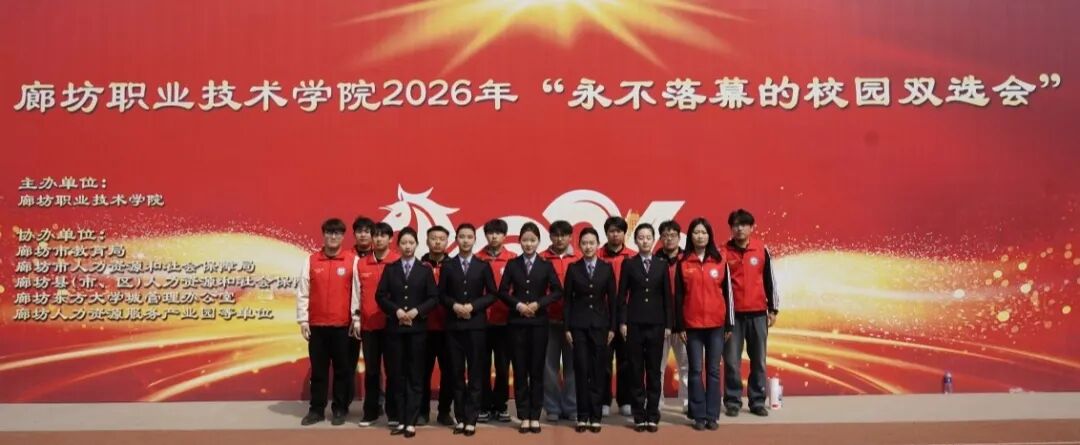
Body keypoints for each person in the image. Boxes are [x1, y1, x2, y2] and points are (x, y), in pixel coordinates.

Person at [498, 222, 562, 434]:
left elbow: (557, 291)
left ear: (538, 242)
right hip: (516, 323)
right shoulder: (512, 264)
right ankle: (523, 415)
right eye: (525, 240)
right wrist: (518, 305)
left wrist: (538, 304)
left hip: (538, 323)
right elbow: (502, 291)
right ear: (519, 241)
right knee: (519, 369)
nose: (528, 244)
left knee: (536, 370)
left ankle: (535, 415)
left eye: (532, 240)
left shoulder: (545, 265)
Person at [377, 227, 440, 438]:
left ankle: (411, 420)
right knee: (396, 375)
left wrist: (416, 311)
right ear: (398, 245)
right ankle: (400, 418)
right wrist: (396, 311)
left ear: (416, 245)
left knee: (415, 375)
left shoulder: (424, 270)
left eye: (411, 243)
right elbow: (380, 296)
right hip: (395, 330)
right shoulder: (390, 269)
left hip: (417, 331)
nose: (407, 246)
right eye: (403, 243)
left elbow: (433, 298)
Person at [297, 218, 360, 426]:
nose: (333, 237)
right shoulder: (311, 260)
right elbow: (303, 292)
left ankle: (340, 409)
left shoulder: (352, 261)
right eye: (329, 233)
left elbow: (357, 293)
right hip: (317, 327)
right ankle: (316, 410)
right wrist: (303, 320)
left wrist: (356, 318)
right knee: (319, 371)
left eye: (337, 233)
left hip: (343, 327)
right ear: (323, 235)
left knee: (343, 370)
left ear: (343, 236)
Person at [674, 218, 734, 431]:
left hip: (716, 325)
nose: (700, 236)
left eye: (704, 232)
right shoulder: (683, 262)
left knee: (713, 371)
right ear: (690, 236)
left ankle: (712, 415)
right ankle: (698, 414)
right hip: (692, 326)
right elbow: (678, 297)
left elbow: (728, 294)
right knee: (695, 370)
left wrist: (729, 324)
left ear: (710, 236)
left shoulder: (720, 260)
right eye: (696, 232)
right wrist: (680, 326)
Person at [440, 223, 499, 436]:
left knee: (475, 373)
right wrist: (454, 306)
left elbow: (492, 294)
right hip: (454, 325)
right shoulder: (448, 265)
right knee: (456, 372)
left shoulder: (482, 266)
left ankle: (472, 418)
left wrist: (473, 307)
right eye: (462, 237)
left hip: (476, 326)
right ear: (456, 239)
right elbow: (441, 294)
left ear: (474, 240)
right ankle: (460, 417)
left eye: (469, 237)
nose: (465, 240)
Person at [722, 209, 780, 418]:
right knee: (731, 361)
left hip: (758, 315)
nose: (739, 229)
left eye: (743, 225)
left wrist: (773, 309)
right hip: (733, 316)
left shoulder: (761, 249)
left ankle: (757, 401)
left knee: (759, 361)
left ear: (751, 227)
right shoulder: (723, 252)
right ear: (731, 228)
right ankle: (733, 401)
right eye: (735, 225)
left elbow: (770, 280)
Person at [617, 223, 671, 432]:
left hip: (657, 324)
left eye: (648, 237)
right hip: (634, 324)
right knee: (636, 370)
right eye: (641, 237)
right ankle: (639, 415)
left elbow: (667, 297)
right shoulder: (629, 264)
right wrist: (622, 322)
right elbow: (622, 296)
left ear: (654, 239)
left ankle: (653, 414)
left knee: (654, 371)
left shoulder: (661, 265)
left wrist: (668, 325)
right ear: (635, 240)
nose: (645, 241)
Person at [562, 227, 616, 434]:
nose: (588, 246)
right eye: (584, 243)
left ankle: (596, 416)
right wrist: (567, 327)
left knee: (598, 371)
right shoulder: (573, 268)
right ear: (579, 245)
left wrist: (612, 327)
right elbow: (567, 300)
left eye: (591, 243)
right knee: (581, 370)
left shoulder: (606, 268)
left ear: (597, 244)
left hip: (601, 326)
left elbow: (612, 300)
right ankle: (582, 416)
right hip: (578, 326)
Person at [357, 222, 401, 427]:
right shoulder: (361, 263)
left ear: (391, 239)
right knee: (372, 371)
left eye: (383, 235)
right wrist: (356, 318)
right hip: (369, 326)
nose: (379, 239)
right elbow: (356, 294)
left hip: (393, 326)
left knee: (393, 371)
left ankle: (394, 413)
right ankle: (370, 412)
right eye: (376, 235)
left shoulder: (398, 261)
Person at [475, 218, 516, 423]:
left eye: (498, 233)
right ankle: (483, 405)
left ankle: (500, 406)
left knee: (502, 366)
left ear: (504, 236)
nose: (494, 236)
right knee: (481, 365)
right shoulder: (477, 259)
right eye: (490, 233)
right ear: (485, 235)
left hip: (505, 322)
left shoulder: (513, 259)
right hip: (481, 321)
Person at [540, 220, 581, 422]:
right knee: (549, 367)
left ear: (570, 237)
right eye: (555, 235)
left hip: (574, 322)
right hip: (549, 319)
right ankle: (552, 407)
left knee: (574, 366)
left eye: (563, 235)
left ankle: (572, 405)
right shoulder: (542, 259)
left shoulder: (579, 258)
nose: (559, 239)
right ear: (550, 237)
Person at [598, 216, 635, 417]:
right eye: (611, 231)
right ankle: (604, 400)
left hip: (627, 314)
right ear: (606, 233)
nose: (615, 235)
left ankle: (625, 400)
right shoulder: (597, 255)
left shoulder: (632, 257)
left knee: (626, 359)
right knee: (603, 360)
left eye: (619, 231)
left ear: (624, 234)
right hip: (603, 314)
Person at [419, 226, 455, 426]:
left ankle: (444, 411)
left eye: (442, 238)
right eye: (434, 238)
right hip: (423, 328)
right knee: (422, 373)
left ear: (447, 242)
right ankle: (422, 412)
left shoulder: (455, 266)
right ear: (427, 241)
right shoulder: (419, 266)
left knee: (449, 372)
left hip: (448, 329)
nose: (438, 242)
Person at [656, 220, 689, 415]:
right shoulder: (654, 260)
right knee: (657, 367)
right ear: (660, 238)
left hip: (684, 323)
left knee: (686, 366)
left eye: (673, 235)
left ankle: (687, 401)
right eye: (665, 236)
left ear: (679, 237)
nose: (669, 239)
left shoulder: (688, 259)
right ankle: (656, 402)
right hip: (660, 324)